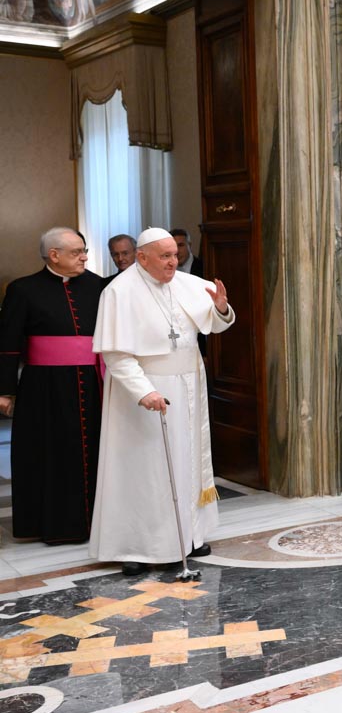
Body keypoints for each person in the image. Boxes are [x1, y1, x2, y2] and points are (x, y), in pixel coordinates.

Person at [90, 228, 236, 576]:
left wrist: (220, 308)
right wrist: (144, 391)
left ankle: (190, 535)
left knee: (188, 462)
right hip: (147, 391)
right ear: (142, 258)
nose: (174, 261)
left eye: (175, 255)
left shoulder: (186, 283)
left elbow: (215, 326)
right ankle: (141, 547)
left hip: (189, 387)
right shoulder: (118, 292)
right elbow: (117, 354)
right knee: (148, 470)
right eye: (165, 256)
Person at [0, 227, 104, 544]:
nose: (85, 257)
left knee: (94, 450)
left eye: (84, 250)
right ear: (54, 255)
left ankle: (97, 522)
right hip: (43, 387)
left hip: (92, 381)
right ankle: (50, 524)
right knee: (48, 453)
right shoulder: (23, 289)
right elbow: (7, 344)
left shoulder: (98, 286)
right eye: (77, 252)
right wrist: (5, 391)